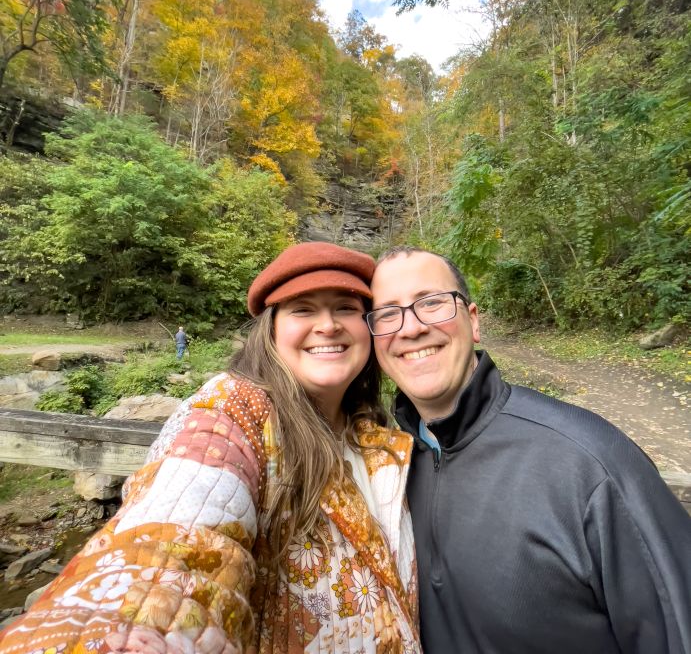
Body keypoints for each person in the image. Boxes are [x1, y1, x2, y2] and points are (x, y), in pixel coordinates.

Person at [0, 243, 421, 654]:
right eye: (303, 309)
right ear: (271, 330)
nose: (327, 325)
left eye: (345, 308)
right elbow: (178, 529)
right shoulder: (234, 406)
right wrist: (149, 624)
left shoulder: (379, 435)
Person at [368, 245, 691, 654]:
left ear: (473, 321)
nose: (410, 328)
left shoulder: (589, 463)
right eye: (388, 314)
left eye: (431, 303)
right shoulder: (387, 471)